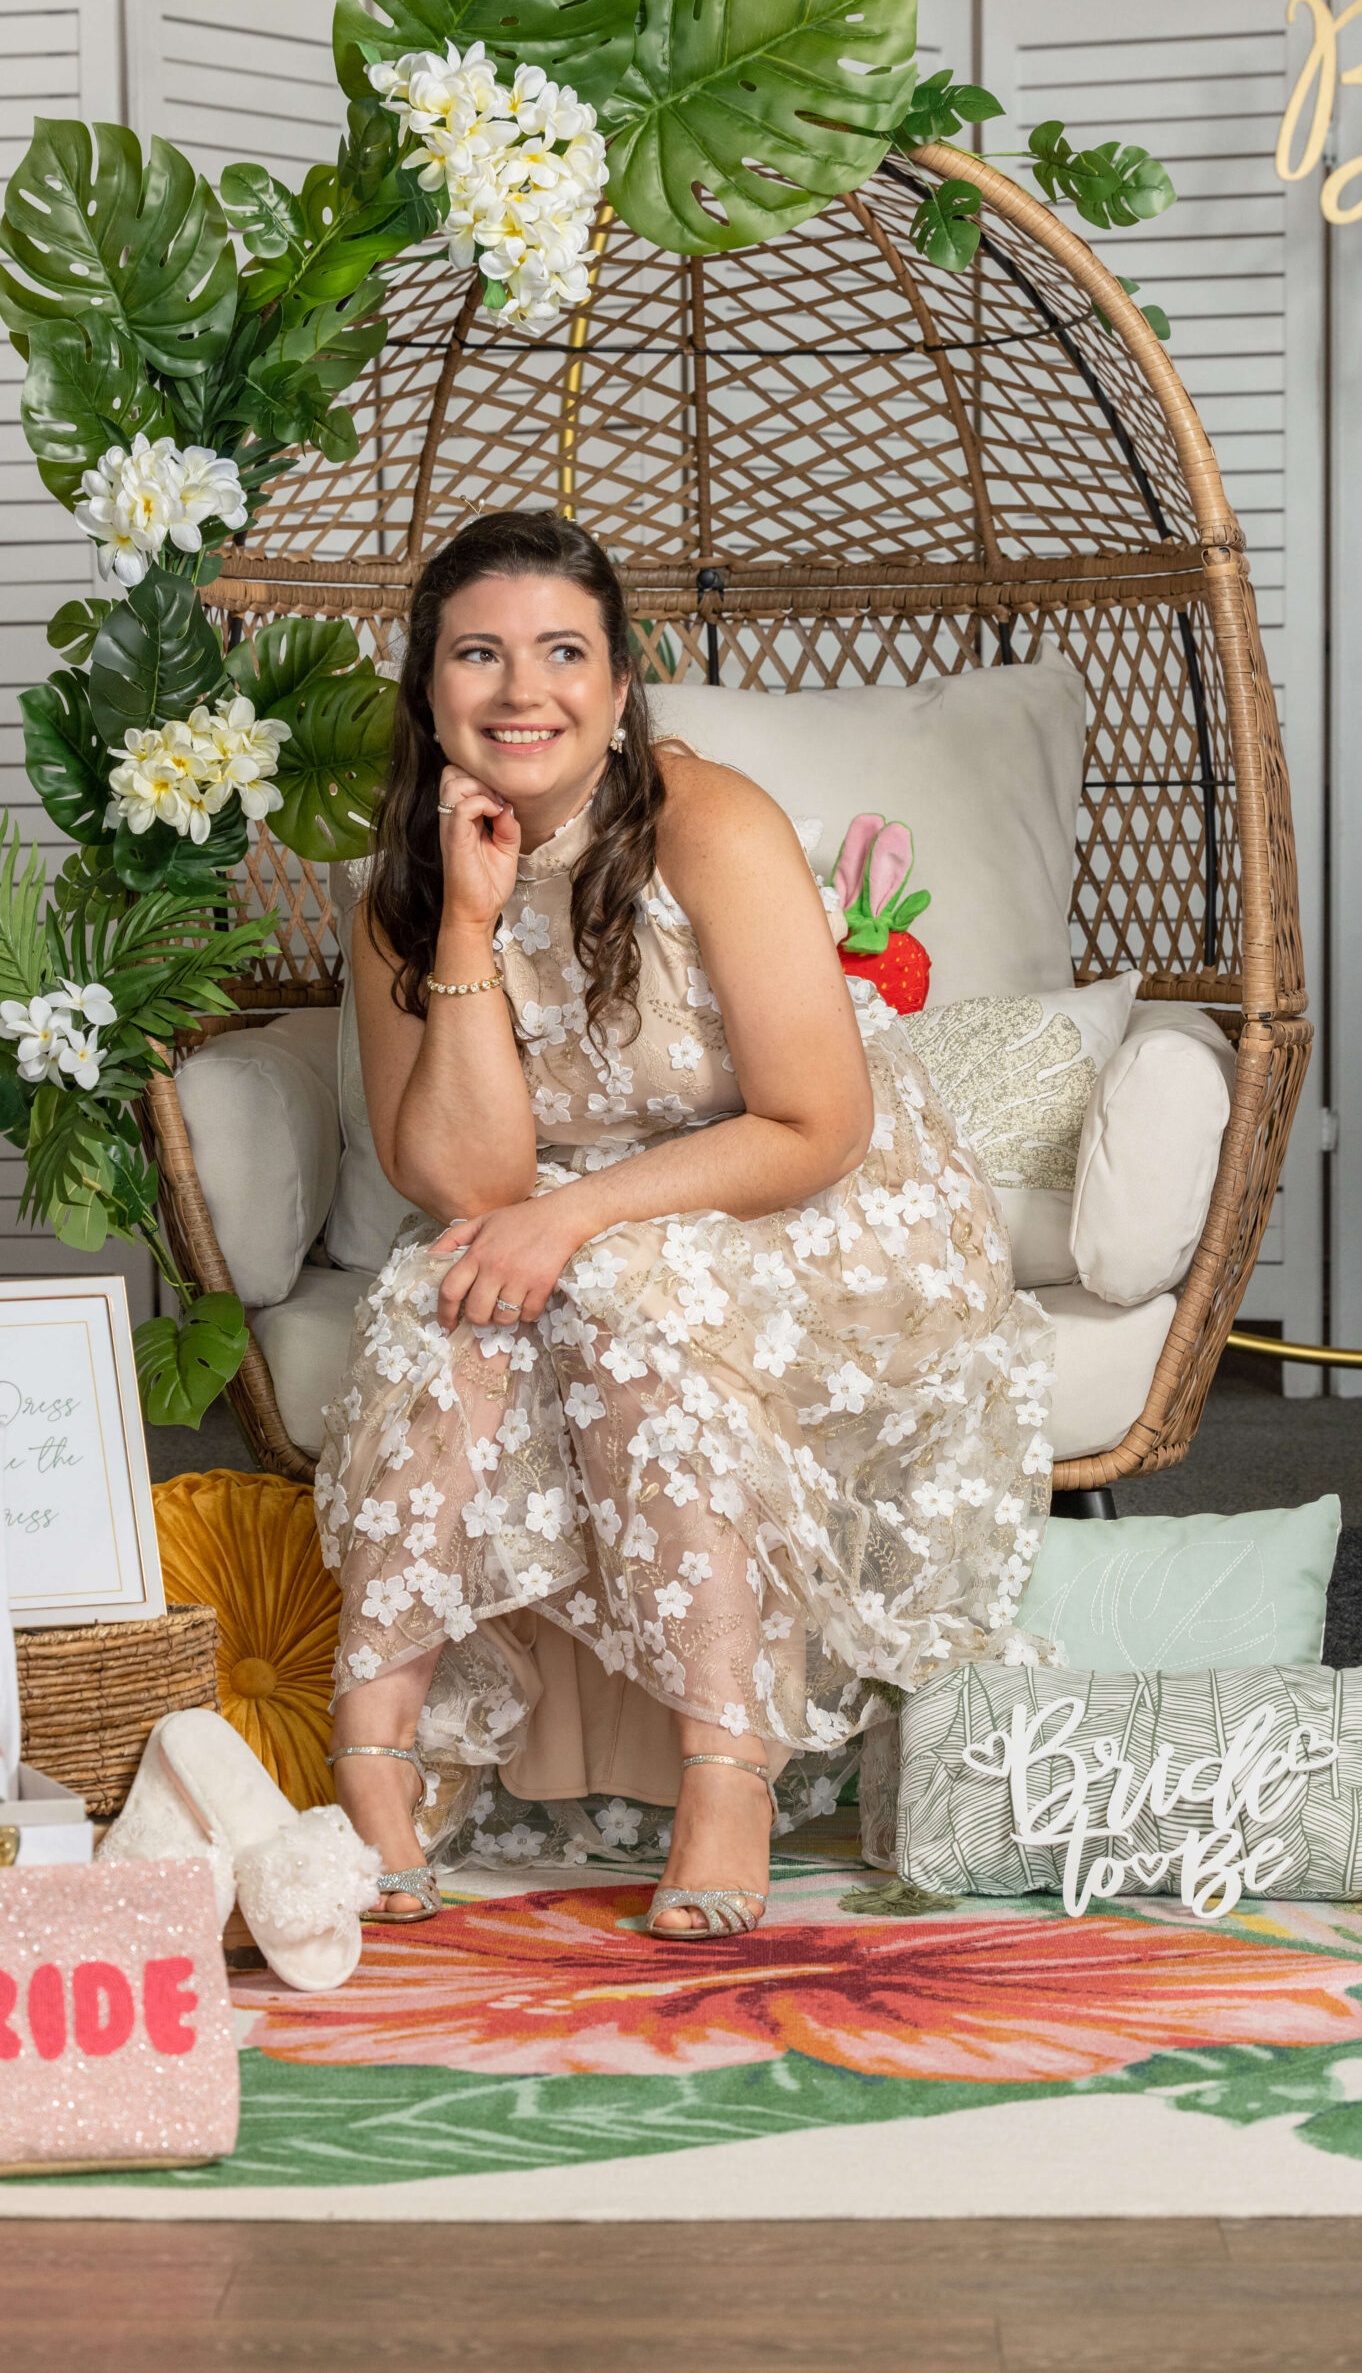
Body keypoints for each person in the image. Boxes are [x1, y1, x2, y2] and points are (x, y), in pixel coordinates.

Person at [316, 511, 1054, 1938]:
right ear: (427, 687)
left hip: (810, 1198)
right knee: (436, 1307)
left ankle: (732, 1774)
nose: (522, 691)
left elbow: (815, 1121)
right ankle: (378, 1767)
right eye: (480, 654)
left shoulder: (707, 822)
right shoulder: (403, 889)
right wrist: (466, 925)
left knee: (620, 1295)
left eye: (561, 653)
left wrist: (577, 1220)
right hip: (571, 1215)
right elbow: (465, 1186)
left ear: (618, 678)